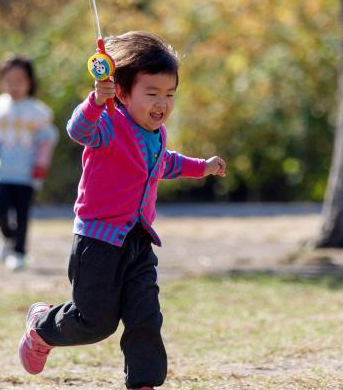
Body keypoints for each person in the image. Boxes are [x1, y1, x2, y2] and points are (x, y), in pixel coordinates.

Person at [17, 31, 227, 390]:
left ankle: (144, 383)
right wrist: (96, 101)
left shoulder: (157, 135)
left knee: (146, 315)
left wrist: (202, 166)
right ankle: (42, 327)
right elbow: (77, 129)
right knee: (95, 322)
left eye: (169, 94)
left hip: (139, 241)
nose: (162, 103)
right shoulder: (109, 126)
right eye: (152, 93)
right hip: (97, 243)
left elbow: (165, 164)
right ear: (124, 93)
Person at [0, 56, 57, 271]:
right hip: (0, 169)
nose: (14, 85)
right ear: (1, 81)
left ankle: (19, 253)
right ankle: (8, 238)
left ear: (30, 81)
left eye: (19, 80)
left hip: (26, 173)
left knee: (22, 213)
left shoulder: (38, 111)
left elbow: (47, 139)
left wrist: (41, 164)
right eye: (9, 80)